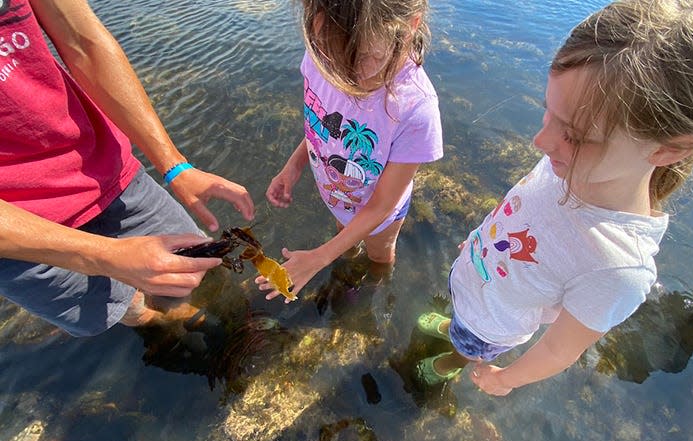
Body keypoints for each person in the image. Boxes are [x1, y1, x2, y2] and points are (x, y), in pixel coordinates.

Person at [414, 0, 693, 395]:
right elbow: (525, 212)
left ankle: (450, 362)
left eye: (575, 135)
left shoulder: (618, 268)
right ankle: (452, 327)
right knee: (459, 324)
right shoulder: (565, 162)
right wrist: (483, 243)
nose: (541, 141)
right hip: (475, 276)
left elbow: (558, 349)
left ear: (667, 150)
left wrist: (506, 378)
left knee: (468, 346)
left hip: (492, 325)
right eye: (549, 112)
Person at [0, 0, 254, 337]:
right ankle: (157, 323)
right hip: (20, 228)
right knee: (120, 309)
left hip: (103, 169)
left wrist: (175, 167)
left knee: (196, 264)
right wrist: (108, 257)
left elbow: (84, 41)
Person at [256, 0, 443, 302]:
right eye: (330, 55)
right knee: (345, 234)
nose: (343, 74)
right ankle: (345, 253)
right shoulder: (321, 59)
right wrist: (294, 165)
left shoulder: (416, 109)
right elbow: (321, 128)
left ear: (409, 27)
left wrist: (320, 257)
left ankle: (376, 289)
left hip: (380, 215)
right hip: (339, 199)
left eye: (366, 57)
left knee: (379, 254)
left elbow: (382, 204)